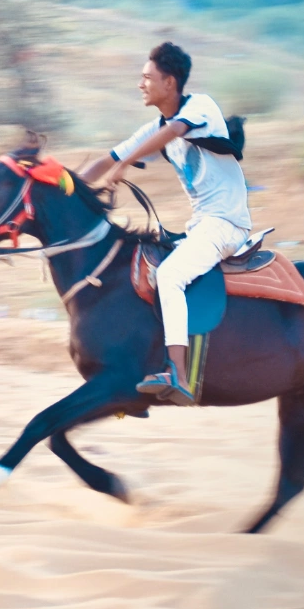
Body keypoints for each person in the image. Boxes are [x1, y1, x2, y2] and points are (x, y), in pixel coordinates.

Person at [81, 42, 250, 406]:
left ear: (169, 82)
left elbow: (174, 130)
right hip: (201, 226)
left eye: (147, 77)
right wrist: (65, 187)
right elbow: (105, 160)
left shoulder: (200, 107)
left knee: (169, 275)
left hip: (226, 224)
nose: (140, 84)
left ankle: (179, 375)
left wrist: (125, 165)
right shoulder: (155, 128)